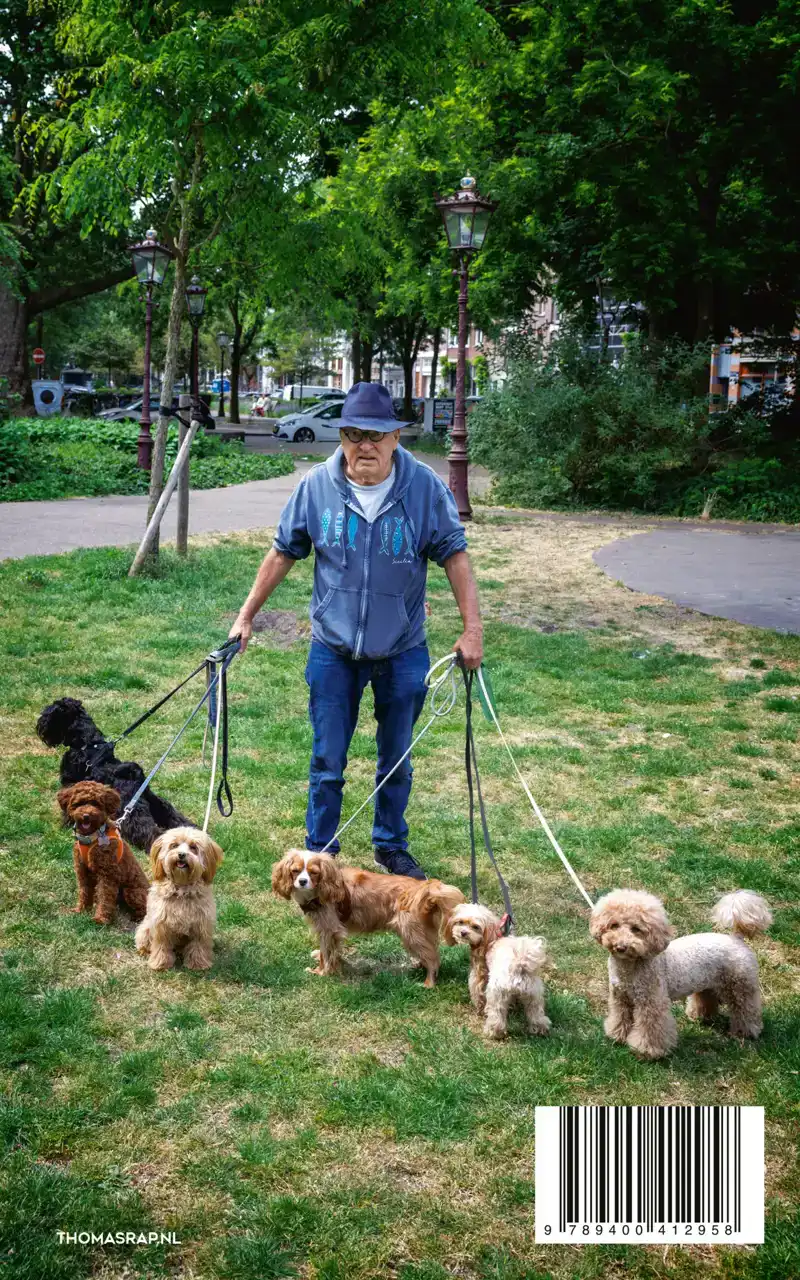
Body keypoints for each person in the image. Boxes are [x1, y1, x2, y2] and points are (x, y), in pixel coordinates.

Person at [230, 381, 483, 880]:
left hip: (403, 646)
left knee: (398, 758)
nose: (363, 445)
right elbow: (283, 551)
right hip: (333, 646)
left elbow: (455, 555)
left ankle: (390, 845)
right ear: (341, 436)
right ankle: (319, 852)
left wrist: (472, 629)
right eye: (352, 434)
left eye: (375, 434)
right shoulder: (316, 486)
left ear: (395, 438)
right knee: (327, 760)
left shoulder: (425, 488)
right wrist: (246, 615)